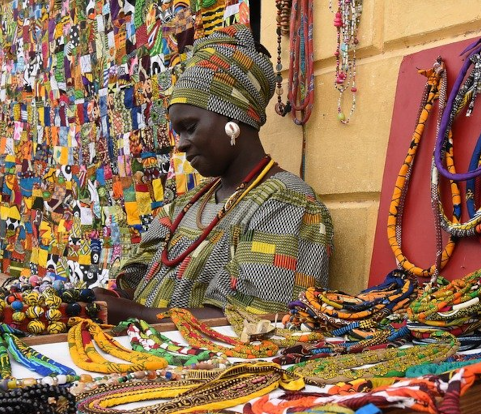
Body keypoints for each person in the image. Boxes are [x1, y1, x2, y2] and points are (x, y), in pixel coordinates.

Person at [96, 25, 334, 324]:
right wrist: (102, 299)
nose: (181, 144)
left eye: (190, 127)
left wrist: (141, 315)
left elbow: (255, 320)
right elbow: (133, 281)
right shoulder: (184, 207)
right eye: (177, 132)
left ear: (234, 118)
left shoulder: (287, 205)